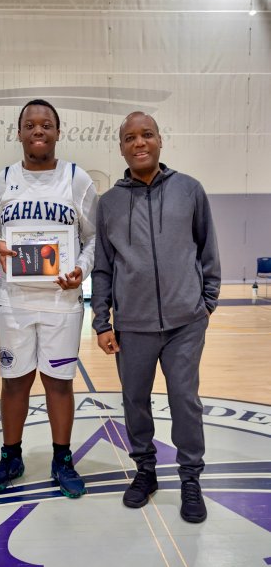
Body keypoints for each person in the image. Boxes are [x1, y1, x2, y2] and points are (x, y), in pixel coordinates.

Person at [91, 112, 221, 523]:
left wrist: (207, 302)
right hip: (132, 326)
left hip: (185, 323)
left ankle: (190, 478)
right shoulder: (108, 203)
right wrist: (102, 321)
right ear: (121, 148)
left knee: (185, 401)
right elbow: (103, 266)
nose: (139, 142)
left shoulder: (189, 190)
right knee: (135, 401)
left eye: (146, 135)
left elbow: (207, 250)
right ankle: (145, 470)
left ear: (160, 141)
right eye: (130, 138)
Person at [0, 99, 98, 498]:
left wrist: (81, 266)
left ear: (58, 132)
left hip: (62, 301)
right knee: (15, 382)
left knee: (59, 383)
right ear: (19, 133)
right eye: (30, 125)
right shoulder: (3, 180)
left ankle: (62, 459)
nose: (38, 131)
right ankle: (11, 455)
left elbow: (95, 236)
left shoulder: (78, 180)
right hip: (13, 300)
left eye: (46, 125)